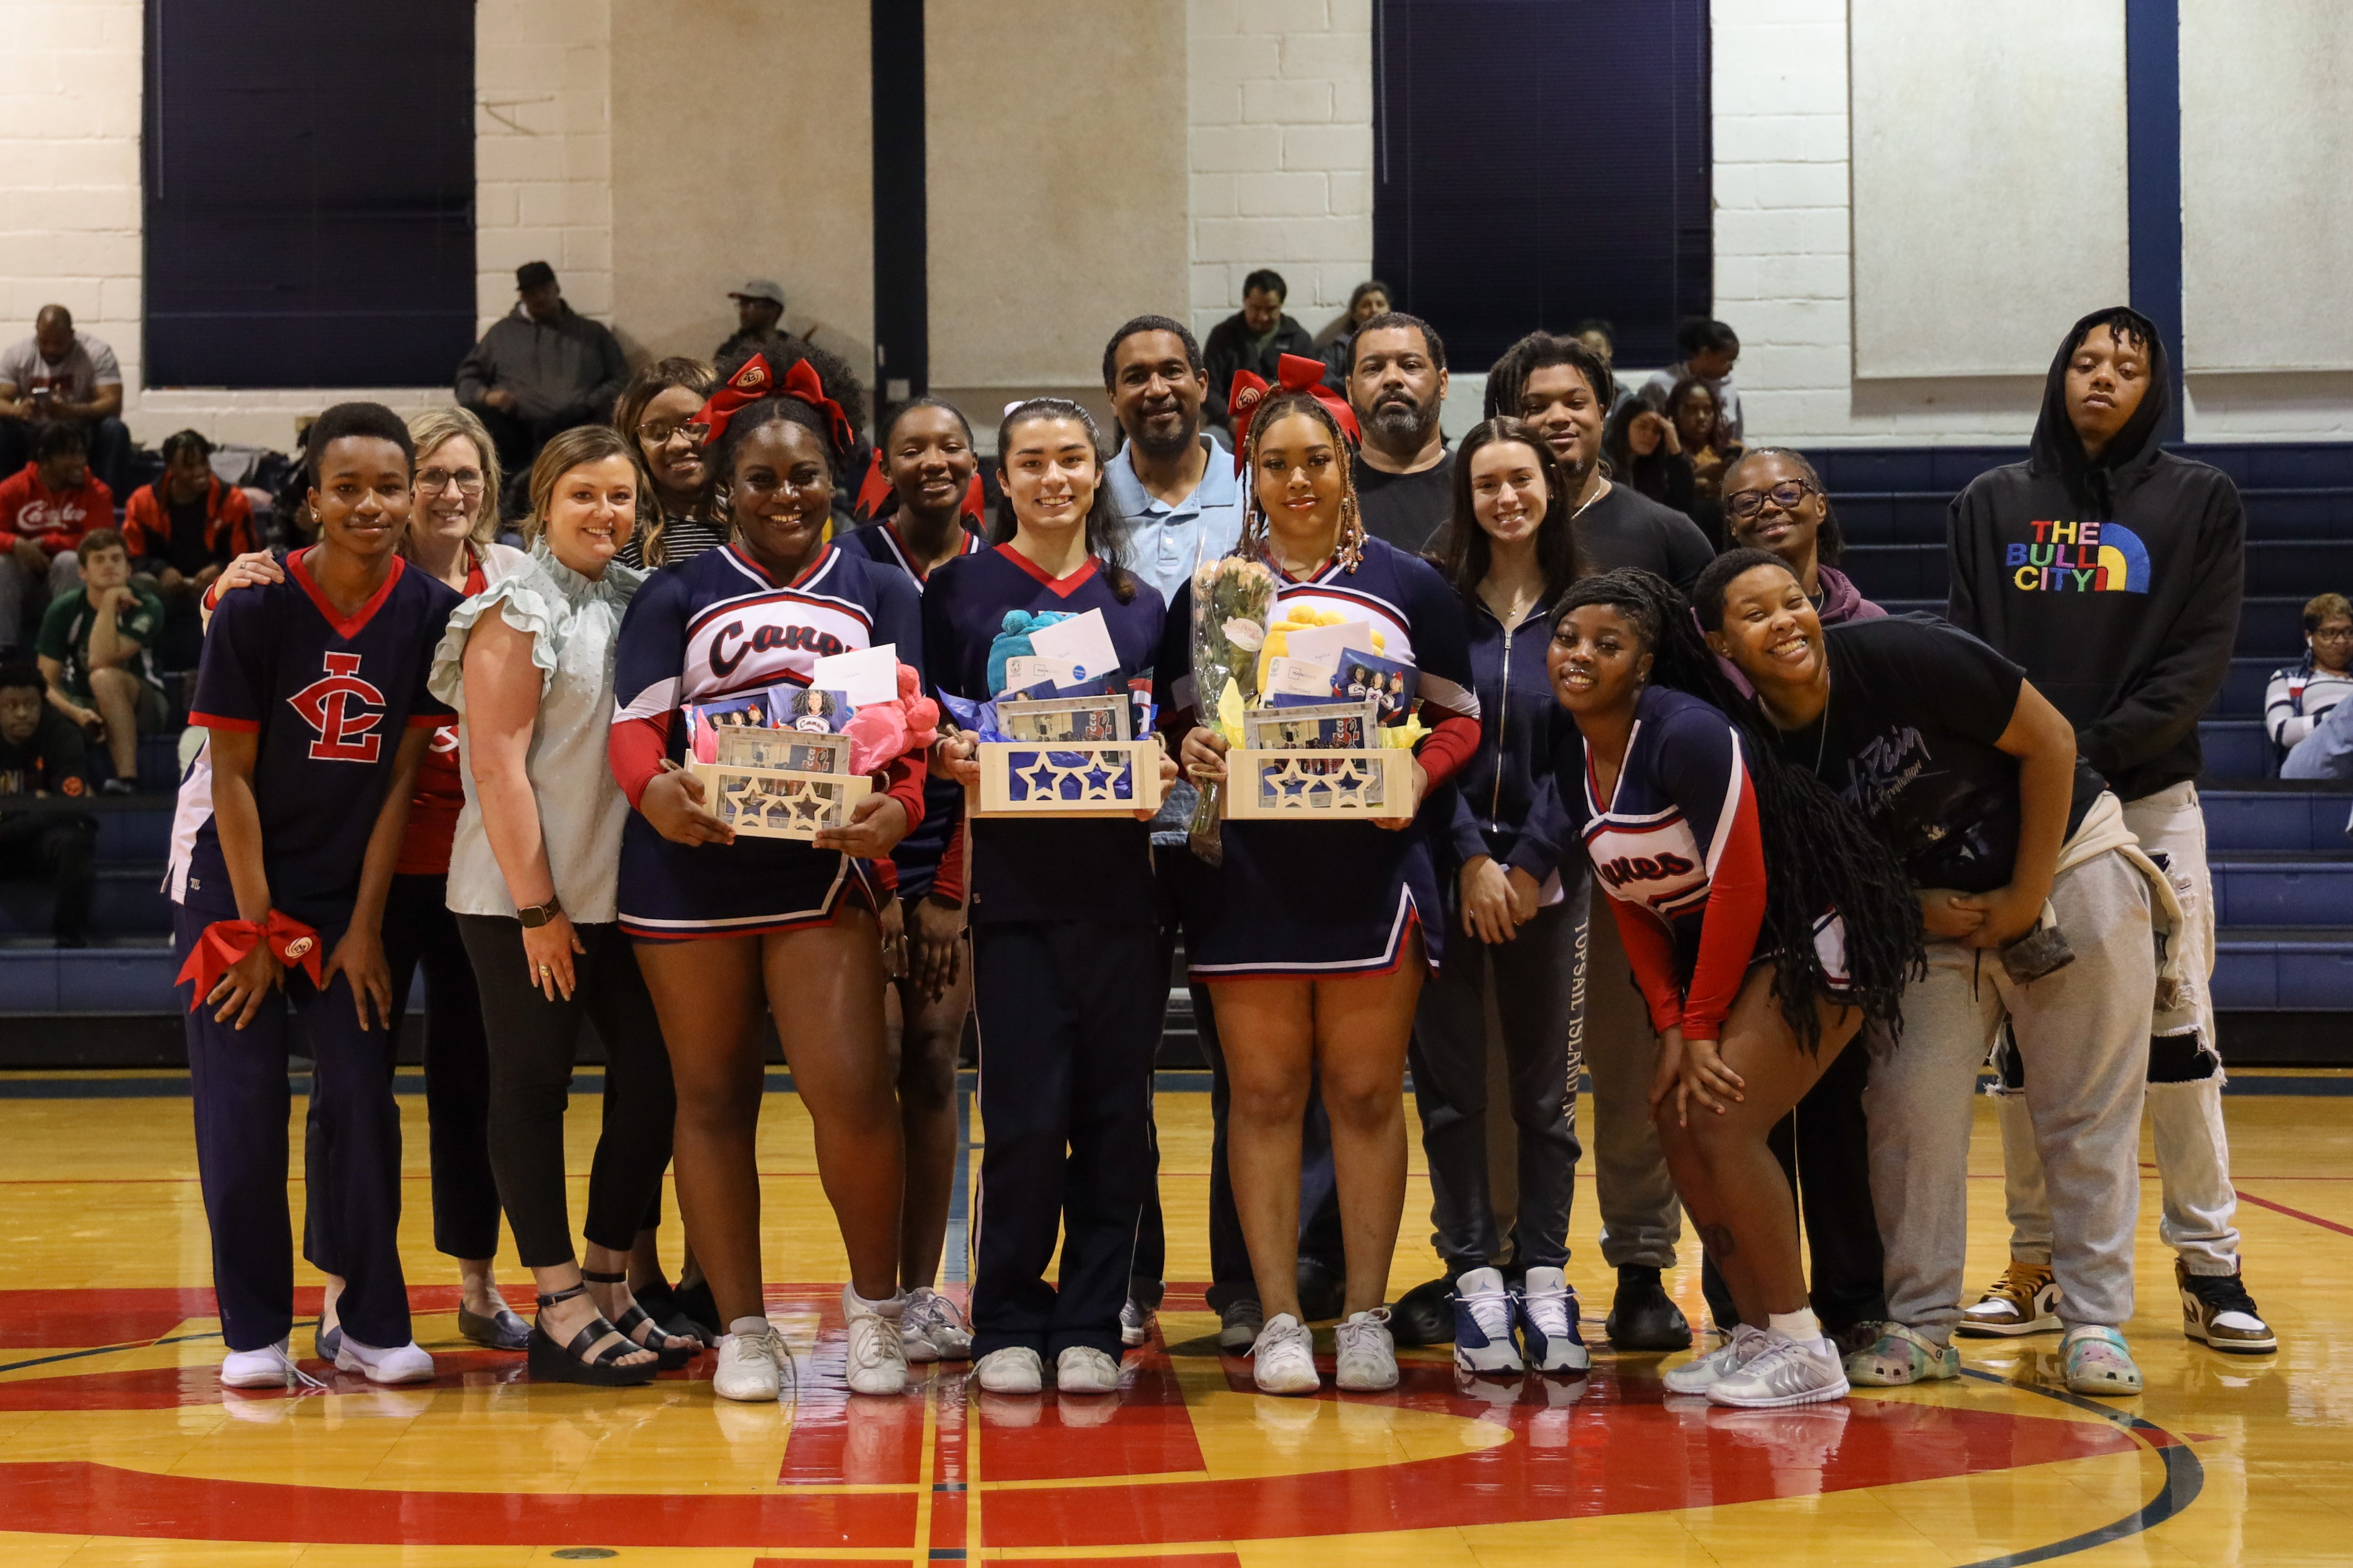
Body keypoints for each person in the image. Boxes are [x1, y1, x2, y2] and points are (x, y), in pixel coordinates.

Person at [1704, 546, 2163, 1397]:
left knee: (2080, 1109)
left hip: (2064, 862)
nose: (1785, 620)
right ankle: (1917, 1325)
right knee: (1906, 1109)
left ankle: (2093, 1320)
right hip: (1927, 919)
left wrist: (2024, 893)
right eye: (1754, 612)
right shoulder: (1761, 758)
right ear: (1720, 644)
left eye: (1792, 601)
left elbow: (2051, 741)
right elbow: (1817, 880)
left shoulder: (1900, 654)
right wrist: (1920, 912)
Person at [1947, 305, 2274, 1357]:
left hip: (2142, 800)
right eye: (2084, 361)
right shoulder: (1991, 501)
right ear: (2055, 375)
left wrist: (2075, 760)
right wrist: (2033, 770)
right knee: (2026, 1044)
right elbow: (1970, 654)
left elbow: (2194, 662)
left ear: (2152, 385)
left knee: (2177, 1039)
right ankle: (2035, 1260)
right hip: (2020, 805)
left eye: (2125, 365)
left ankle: (2207, 1259)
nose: (2102, 378)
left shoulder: (2198, 499)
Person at [608, 351, 927, 1403]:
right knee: (708, 1097)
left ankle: (875, 1311)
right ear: (724, 487)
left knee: (852, 1090)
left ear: (834, 475)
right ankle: (743, 1325)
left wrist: (900, 809)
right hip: (688, 873)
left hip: (817, 872)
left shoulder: (876, 586)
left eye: (802, 476)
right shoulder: (678, 589)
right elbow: (635, 733)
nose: (784, 495)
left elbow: (905, 741)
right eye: (760, 479)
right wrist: (656, 793)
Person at [1171, 381, 1482, 1396]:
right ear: (1248, 479)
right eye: (1276, 463)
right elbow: (1174, 733)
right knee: (1262, 1098)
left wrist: (1418, 779)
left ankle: (1360, 1314)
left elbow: (1459, 720)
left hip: (1371, 874)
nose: (1297, 479)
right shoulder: (1215, 592)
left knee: (1359, 1095)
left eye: (1315, 460)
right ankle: (1272, 1319)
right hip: (1248, 878)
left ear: (1345, 470)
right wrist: (1193, 748)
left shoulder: (1409, 584)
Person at [1542, 567, 1919, 1406]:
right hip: (1727, 955)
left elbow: (1741, 882)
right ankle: (1753, 1337)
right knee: (1675, 1120)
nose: (1578, 655)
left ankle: (1801, 1342)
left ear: (1644, 663)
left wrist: (1701, 1024)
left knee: (1720, 1113)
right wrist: (1671, 1021)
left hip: (1815, 931)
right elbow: (1629, 903)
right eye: (1567, 638)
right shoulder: (1575, 756)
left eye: (1607, 643)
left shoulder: (1686, 732)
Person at [167, 401, 459, 1390]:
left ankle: (373, 1321)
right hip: (231, 888)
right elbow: (233, 777)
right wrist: (253, 929)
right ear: (312, 497)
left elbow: (401, 780)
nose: (370, 505)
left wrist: (368, 926)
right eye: (348, 487)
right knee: (241, 1108)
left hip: (345, 894)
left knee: (361, 1098)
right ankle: (252, 1331)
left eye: (388, 485)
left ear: (411, 491)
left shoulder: (428, 611)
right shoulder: (254, 604)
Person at [427, 424, 697, 1384]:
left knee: (659, 1080)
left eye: (620, 497)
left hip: (617, 895)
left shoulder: (637, 600)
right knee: (534, 1087)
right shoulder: (514, 606)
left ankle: (609, 1277)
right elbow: (496, 769)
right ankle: (555, 1301)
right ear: (542, 502)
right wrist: (539, 911)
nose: (604, 513)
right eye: (583, 494)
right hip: (518, 899)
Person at [1097, 314, 1341, 1349]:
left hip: (1245, 821)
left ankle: (1257, 1280)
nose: (1154, 388)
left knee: (1265, 1064)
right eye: (1132, 375)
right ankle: (1127, 1274)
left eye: (1170, 370)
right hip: (1109, 822)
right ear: (1110, 394)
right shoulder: (1075, 493)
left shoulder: (1261, 488)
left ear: (1202, 382)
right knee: (1115, 1063)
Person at [924, 398, 1175, 1396]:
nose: (1053, 477)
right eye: (1031, 461)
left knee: (1115, 1116)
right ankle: (1005, 1318)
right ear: (1002, 476)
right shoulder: (957, 592)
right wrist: (948, 753)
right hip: (1013, 895)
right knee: (1023, 1118)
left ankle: (1089, 1319)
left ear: (1095, 470)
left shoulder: (1137, 601)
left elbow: (1168, 736)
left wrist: (1159, 760)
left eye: (1071, 458)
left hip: (1123, 893)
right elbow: (925, 726)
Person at [1481, 329, 1711, 1351]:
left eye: (1574, 399)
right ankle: (1498, 1262)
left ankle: (1640, 1261)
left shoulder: (1659, 531)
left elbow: (1710, 691)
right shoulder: (1483, 547)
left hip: (1633, 850)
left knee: (1629, 1063)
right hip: (1516, 852)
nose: (1557, 416)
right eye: (1535, 403)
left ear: (1605, 407)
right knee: (1508, 1072)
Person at [1399, 418, 1587, 1369]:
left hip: (1546, 887)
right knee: (1450, 1091)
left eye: (1521, 480)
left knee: (1542, 1097)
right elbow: (1424, 738)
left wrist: (1527, 866)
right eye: (1486, 484)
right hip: (1446, 875)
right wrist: (1471, 858)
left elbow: (1586, 749)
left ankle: (1545, 1276)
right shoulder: (1435, 606)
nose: (1505, 498)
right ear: (1464, 498)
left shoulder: (1587, 605)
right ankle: (1472, 1274)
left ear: (1549, 488)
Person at [839, 394, 983, 1367]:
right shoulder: (853, 571)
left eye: (950, 445)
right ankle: (874, 1292)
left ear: (974, 463)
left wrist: (948, 890)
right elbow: (845, 744)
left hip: (961, 854)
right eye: (912, 447)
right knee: (872, 1062)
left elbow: (1000, 746)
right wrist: (885, 881)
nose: (933, 460)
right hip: (865, 849)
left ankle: (927, 1289)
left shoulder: (999, 569)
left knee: (934, 1057)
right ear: (883, 462)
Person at [455, 262, 630, 518]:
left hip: (577, 423)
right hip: (517, 429)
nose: (539, 297)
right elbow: (467, 378)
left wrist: (588, 404)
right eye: (530, 293)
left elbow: (619, 379)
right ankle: (498, 514)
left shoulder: (592, 334)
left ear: (556, 288)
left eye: (544, 290)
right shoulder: (502, 334)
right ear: (522, 297)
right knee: (476, 420)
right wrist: (486, 396)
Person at [37, 529, 166, 793]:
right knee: (44, 708)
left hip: (145, 703)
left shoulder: (148, 605)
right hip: (85, 702)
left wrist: (108, 602)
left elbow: (99, 660)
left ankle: (127, 779)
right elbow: (45, 682)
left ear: (129, 569)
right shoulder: (63, 611)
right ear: (82, 573)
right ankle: (61, 790)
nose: (109, 565)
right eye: (99, 560)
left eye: (116, 559)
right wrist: (77, 713)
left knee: (104, 677)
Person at [123, 430, 257, 670]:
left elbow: (246, 557)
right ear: (170, 468)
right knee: (137, 585)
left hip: (212, 585)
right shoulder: (142, 502)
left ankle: (232, 673)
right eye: (188, 466)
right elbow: (132, 555)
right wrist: (161, 570)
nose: (199, 472)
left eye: (203, 463)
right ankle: (144, 666)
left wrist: (219, 569)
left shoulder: (233, 501)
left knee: (243, 589)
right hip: (163, 588)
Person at [0, 662, 97, 948]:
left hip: (43, 844)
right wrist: (35, 803)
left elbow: (71, 806)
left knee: (74, 841)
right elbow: (54, 808)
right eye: (11, 705)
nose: (22, 713)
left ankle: (69, 938)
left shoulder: (62, 735)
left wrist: (13, 812)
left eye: (30, 704)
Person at [0, 421, 114, 653]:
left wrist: (47, 543)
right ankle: (5, 651)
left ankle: (67, 652)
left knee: (70, 561)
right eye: (69, 455)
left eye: (82, 454)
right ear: (45, 458)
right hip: (22, 589)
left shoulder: (97, 491)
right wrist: (17, 543)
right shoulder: (12, 489)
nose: (79, 463)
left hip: (69, 583)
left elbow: (100, 541)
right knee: (2, 563)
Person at [1348, 313, 1455, 552]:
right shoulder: (1330, 492)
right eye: (1373, 368)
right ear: (1350, 390)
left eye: (1410, 366)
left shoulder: (1479, 485)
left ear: (1443, 383)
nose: (1392, 379)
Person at [0, 306, 129, 495]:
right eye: (44, 342)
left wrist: (72, 411)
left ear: (72, 334)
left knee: (114, 429)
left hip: (80, 431)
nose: (51, 349)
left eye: (59, 343)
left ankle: (109, 504)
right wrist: (18, 411)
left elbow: (113, 403)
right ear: (36, 332)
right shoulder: (17, 354)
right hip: (35, 432)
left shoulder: (97, 353)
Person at [612, 357, 727, 569]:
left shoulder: (750, 517)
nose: (678, 444)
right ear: (636, 447)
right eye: (656, 433)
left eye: (694, 426)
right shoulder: (625, 534)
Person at [1203, 269, 1316, 431]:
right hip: (1230, 425)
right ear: (1245, 301)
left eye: (1270, 309)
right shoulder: (1222, 336)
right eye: (1256, 308)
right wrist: (1230, 422)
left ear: (1281, 306)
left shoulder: (1299, 339)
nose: (1263, 317)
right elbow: (1209, 388)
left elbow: (1311, 390)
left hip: (1285, 424)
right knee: (1211, 440)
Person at [2266, 592, 2352, 761]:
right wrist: (2339, 721)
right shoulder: (2287, 678)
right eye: (2330, 633)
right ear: (2310, 637)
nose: (2342, 641)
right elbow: (2281, 731)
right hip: (2309, 763)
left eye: (2348, 632)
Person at [1638, 317, 1744, 446]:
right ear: (1705, 354)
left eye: (1734, 361)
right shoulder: (1661, 385)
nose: (1731, 367)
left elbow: (1736, 437)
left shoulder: (1728, 389)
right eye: (1726, 361)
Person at [1665, 379, 1742, 547]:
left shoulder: (1731, 451)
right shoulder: (1665, 457)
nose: (1701, 418)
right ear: (1675, 413)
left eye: (1708, 410)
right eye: (1691, 410)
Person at [1601, 401, 1696, 517]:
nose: (1650, 435)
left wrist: (1676, 452)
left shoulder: (1650, 469)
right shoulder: (1603, 462)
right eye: (1643, 426)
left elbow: (1679, 509)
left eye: (1657, 431)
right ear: (1625, 426)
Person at [1316, 279, 1395, 383]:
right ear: (1353, 313)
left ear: (1390, 310)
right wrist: (1355, 383)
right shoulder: (1339, 349)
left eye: (1380, 305)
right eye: (1366, 305)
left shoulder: (1401, 344)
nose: (1374, 310)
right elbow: (1322, 380)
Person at [716, 278, 788, 363]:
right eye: (742, 305)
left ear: (775, 310)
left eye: (751, 305)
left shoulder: (793, 350)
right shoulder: (729, 351)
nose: (744, 312)